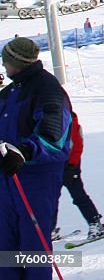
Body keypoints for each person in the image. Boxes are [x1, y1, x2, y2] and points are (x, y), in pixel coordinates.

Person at [0, 37, 73, 266]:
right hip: (6, 180)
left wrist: (24, 151)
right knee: (6, 250)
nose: (3, 66)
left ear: (16, 62)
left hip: (35, 181)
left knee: (33, 252)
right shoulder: (11, 91)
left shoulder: (47, 88)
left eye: (5, 61)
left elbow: (54, 135)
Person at [56, 111, 104, 241]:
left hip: (69, 163)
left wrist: (72, 165)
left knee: (78, 194)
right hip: (52, 163)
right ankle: (50, 227)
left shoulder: (67, 117)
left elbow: (77, 144)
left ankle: (95, 223)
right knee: (50, 197)